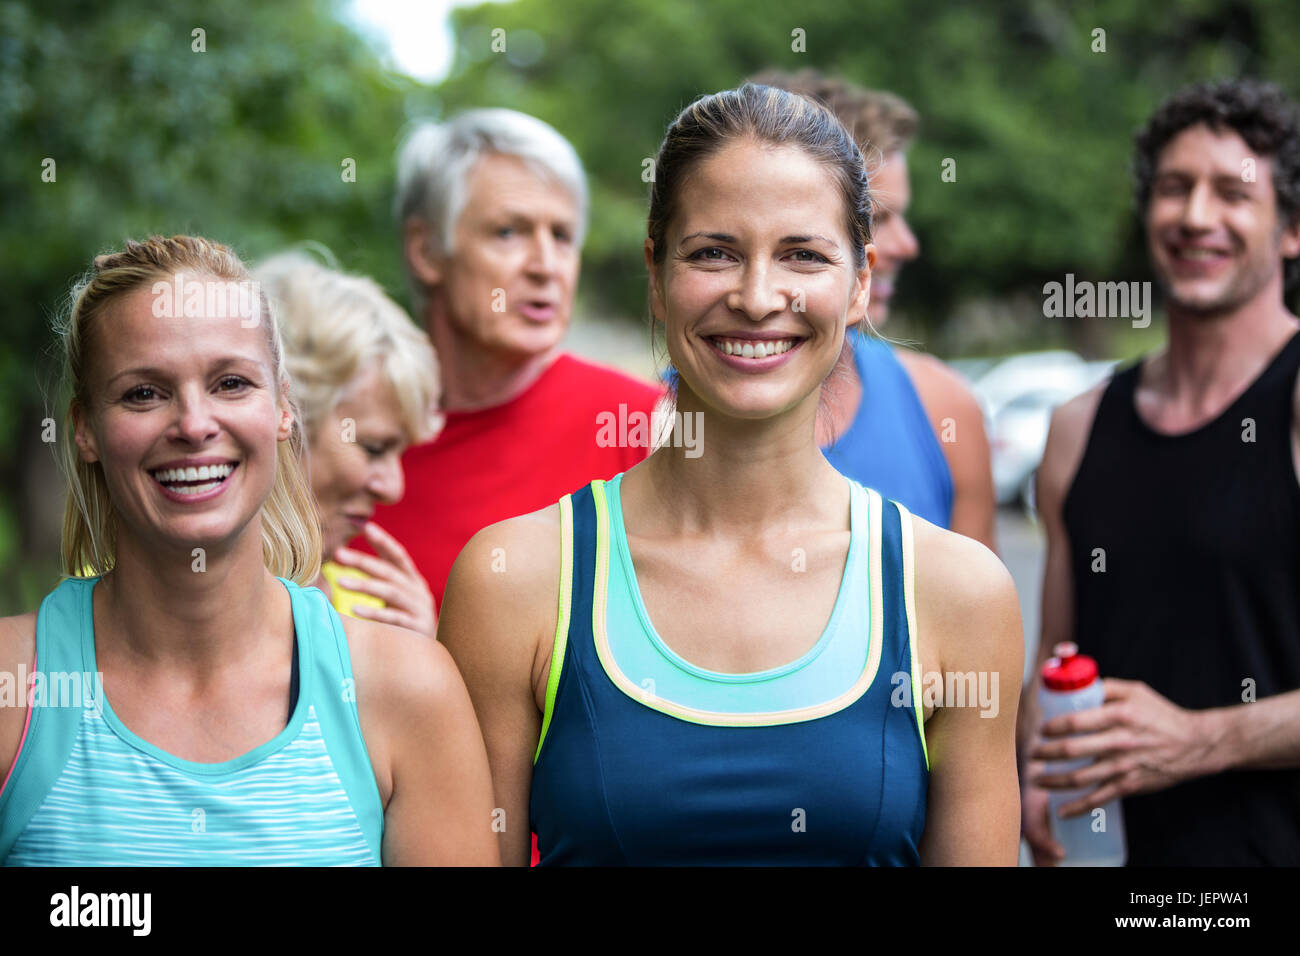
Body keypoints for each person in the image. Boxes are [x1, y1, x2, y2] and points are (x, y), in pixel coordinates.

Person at [440, 84, 1023, 865]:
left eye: (803, 254)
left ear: (858, 284)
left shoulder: (957, 593)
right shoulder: (514, 581)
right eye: (713, 252)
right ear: (656, 273)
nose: (755, 297)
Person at [0, 236, 498, 865]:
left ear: (285, 408)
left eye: (231, 382)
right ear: (84, 430)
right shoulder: (14, 688)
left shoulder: (408, 689)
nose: (194, 424)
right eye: (143, 393)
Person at [1021, 79, 1300, 866]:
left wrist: (1201, 738)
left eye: (1233, 194)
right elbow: (1058, 653)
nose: (1196, 216)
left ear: (1292, 230)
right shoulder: (1078, 428)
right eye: (1174, 189)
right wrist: (1038, 771)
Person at [358, 108, 664, 612]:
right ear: (426, 250)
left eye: (562, 236)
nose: (546, 266)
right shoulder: (342, 437)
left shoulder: (642, 426)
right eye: (509, 232)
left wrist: (429, 659)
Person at [751, 69, 997, 552]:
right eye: (876, 219)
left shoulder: (943, 407)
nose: (905, 245)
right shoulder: (655, 421)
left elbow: (984, 621)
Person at [256, 251, 440, 636]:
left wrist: (426, 658)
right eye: (374, 448)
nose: (393, 488)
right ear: (283, 416)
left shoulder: (379, 617)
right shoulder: (109, 596)